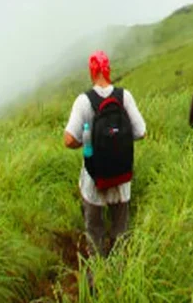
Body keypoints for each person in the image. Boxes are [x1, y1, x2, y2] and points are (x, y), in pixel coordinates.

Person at [63, 51, 146, 258]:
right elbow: (141, 132)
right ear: (108, 70)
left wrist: (87, 141)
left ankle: (96, 274)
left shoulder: (83, 101)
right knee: (120, 233)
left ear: (92, 72)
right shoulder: (124, 97)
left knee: (95, 233)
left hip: (94, 182)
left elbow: (69, 140)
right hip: (121, 181)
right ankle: (120, 271)